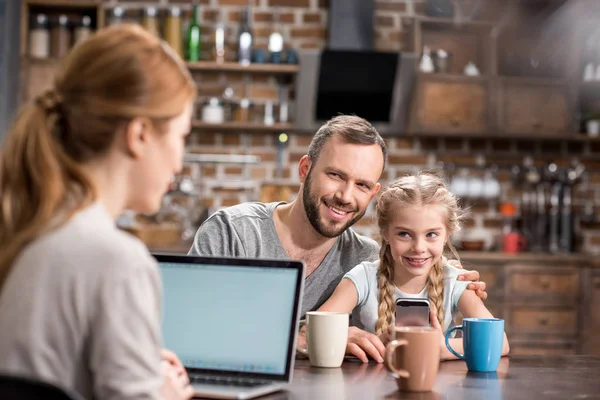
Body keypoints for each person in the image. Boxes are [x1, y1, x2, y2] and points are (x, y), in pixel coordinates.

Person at [189, 115, 488, 362]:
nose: (345, 196)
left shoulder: (369, 260)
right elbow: (191, 330)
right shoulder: (232, 233)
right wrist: (312, 335)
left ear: (373, 193)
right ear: (305, 169)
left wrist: (453, 276)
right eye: (335, 175)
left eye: (361, 184)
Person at [0, 25, 196, 400]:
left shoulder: (26, 230)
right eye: (180, 136)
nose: (179, 162)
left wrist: (132, 358)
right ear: (139, 134)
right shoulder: (118, 262)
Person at [318, 173, 510, 360]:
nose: (419, 248)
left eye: (431, 234)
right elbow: (314, 329)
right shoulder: (362, 278)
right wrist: (373, 343)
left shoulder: (455, 280)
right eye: (404, 234)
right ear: (385, 232)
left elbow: (499, 342)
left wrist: (442, 349)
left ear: (447, 234)